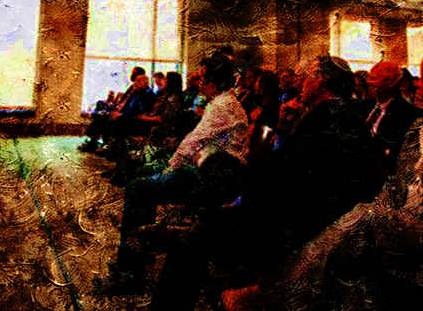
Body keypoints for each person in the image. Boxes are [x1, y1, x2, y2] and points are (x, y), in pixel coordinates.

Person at [222, 49, 423, 311]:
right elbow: (395, 183)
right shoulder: (420, 128)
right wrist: (388, 209)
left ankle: (270, 293)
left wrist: (399, 213)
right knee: (359, 231)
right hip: (406, 227)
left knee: (367, 219)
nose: (417, 86)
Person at [148, 56, 384, 311]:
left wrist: (242, 195)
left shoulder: (327, 118)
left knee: (193, 237)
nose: (300, 84)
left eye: (306, 77)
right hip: (310, 215)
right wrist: (283, 131)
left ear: (321, 82)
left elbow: (284, 181)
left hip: (299, 226)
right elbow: (289, 171)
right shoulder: (344, 114)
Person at [99, 52, 247, 292]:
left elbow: (192, 141)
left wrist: (170, 168)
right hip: (210, 171)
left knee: (138, 189)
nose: (200, 84)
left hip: (214, 180)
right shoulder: (224, 102)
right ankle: (137, 257)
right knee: (143, 184)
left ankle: (130, 272)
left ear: (213, 83)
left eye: (203, 79)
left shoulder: (222, 106)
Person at [364, 61, 423, 174]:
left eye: (375, 78)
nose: (369, 82)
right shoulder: (363, 106)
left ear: (391, 83)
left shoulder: (410, 115)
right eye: (370, 77)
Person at [79, 66, 147, 152]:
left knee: (101, 118)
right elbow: (125, 101)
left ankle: (94, 142)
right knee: (100, 104)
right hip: (120, 109)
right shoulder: (133, 87)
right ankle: (95, 141)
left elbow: (133, 107)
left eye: (133, 73)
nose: (131, 75)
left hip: (126, 115)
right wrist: (114, 103)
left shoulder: (141, 91)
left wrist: (119, 111)